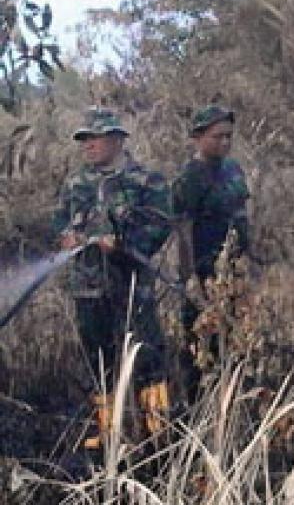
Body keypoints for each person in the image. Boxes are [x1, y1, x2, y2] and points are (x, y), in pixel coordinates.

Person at [52, 108, 173, 449]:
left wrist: (124, 244)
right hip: (87, 287)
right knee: (98, 357)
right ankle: (109, 431)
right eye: (84, 139)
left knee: (147, 355)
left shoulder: (146, 181)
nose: (88, 145)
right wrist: (66, 237)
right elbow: (59, 221)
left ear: (117, 140)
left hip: (132, 286)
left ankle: (158, 430)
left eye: (95, 138)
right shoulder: (75, 184)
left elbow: (161, 224)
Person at [171, 104, 250, 398]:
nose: (225, 143)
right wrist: (190, 278)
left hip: (235, 273)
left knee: (237, 343)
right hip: (204, 274)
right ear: (199, 137)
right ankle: (197, 411)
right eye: (218, 137)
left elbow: (242, 214)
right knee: (201, 347)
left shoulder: (233, 170)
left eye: (229, 136)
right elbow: (183, 229)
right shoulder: (189, 177)